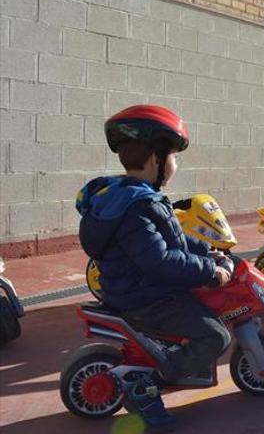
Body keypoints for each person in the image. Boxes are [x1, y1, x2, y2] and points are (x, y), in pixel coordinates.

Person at [76, 104, 233, 429]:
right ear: (154, 160)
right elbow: (160, 260)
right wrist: (210, 272)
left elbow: (176, 241)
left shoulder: (129, 196)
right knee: (216, 337)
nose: (175, 164)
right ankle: (148, 387)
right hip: (146, 299)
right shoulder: (138, 208)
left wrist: (211, 252)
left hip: (137, 288)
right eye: (174, 156)